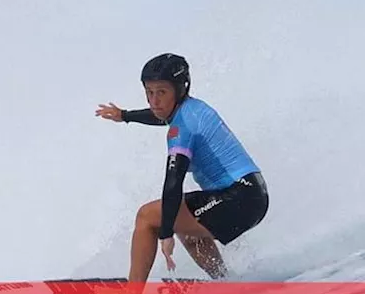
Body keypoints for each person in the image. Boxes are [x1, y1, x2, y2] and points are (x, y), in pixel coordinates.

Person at [95, 53, 268, 281]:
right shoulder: (192, 109)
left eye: (162, 92)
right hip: (252, 195)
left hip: (239, 198)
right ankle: (226, 282)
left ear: (180, 90)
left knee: (147, 217)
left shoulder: (183, 127)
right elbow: (160, 114)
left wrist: (165, 233)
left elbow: (173, 181)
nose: (154, 100)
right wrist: (125, 115)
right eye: (149, 92)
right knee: (183, 222)